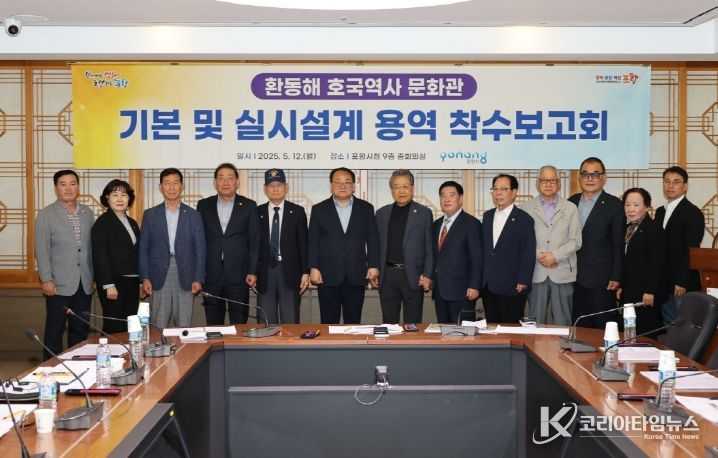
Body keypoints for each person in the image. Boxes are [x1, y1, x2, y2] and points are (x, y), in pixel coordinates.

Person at [35, 169, 95, 360]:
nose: (68, 188)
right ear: (56, 188)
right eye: (63, 184)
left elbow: (90, 247)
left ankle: (78, 366)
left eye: (72, 184)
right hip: (58, 284)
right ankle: (50, 368)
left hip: (84, 282)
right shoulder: (46, 214)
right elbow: (41, 250)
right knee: (55, 330)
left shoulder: (87, 213)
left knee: (80, 329)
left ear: (78, 187)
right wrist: (46, 279)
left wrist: (93, 276)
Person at [308, 167, 380, 324]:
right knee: (328, 322)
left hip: (356, 275)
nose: (342, 185)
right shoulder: (319, 209)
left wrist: (373, 265)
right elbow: (313, 241)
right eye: (338, 182)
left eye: (347, 182)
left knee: (353, 323)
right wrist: (313, 267)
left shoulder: (366, 208)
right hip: (327, 276)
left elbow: (373, 239)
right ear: (331, 186)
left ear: (353, 186)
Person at [139, 168, 206, 328]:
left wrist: (198, 278)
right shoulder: (150, 215)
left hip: (186, 273)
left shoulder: (193, 215)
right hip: (157, 273)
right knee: (158, 323)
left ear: (182, 186)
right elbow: (143, 249)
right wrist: (145, 277)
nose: (171, 187)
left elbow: (200, 249)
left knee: (184, 323)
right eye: (167, 183)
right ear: (161, 187)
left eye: (175, 183)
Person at [197, 163, 260, 325]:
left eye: (230, 178)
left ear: (237, 182)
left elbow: (254, 241)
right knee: (213, 324)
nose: (225, 182)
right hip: (211, 274)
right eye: (221, 178)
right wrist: (199, 273)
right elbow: (198, 241)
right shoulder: (204, 205)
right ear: (215, 183)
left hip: (239, 275)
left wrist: (252, 271)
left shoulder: (249, 205)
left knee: (239, 323)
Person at [568, 157, 624, 328]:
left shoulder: (615, 205)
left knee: (602, 326)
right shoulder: (571, 202)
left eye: (595, 174)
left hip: (602, 279)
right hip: (573, 276)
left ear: (604, 178)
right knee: (579, 325)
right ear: (580, 178)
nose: (590, 179)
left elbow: (618, 244)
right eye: (585, 174)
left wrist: (616, 275)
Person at [523, 166, 582, 325]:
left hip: (562, 271)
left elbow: (576, 240)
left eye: (552, 180)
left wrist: (555, 256)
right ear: (537, 183)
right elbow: (523, 241)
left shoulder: (570, 208)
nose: (548, 184)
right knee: (535, 322)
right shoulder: (525, 208)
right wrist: (540, 256)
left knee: (563, 322)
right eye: (544, 180)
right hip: (536, 271)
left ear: (559, 183)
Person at [375, 170, 433, 324]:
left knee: (413, 324)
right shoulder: (381, 213)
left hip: (413, 276)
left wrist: (427, 274)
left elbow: (429, 248)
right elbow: (376, 246)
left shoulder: (424, 213)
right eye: (396, 187)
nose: (401, 191)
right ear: (391, 190)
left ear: (412, 188)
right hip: (387, 276)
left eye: (405, 186)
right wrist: (375, 269)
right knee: (388, 323)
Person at [256, 169, 310, 324]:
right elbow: (252, 246)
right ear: (265, 189)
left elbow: (303, 244)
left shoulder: (297, 212)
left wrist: (305, 272)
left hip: (290, 272)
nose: (275, 189)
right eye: (271, 185)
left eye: (279, 185)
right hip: (265, 273)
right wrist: (252, 271)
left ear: (286, 187)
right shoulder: (256, 212)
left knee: (290, 319)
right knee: (266, 321)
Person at [482, 174, 536, 324]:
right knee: (491, 327)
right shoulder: (487, 216)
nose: (498, 193)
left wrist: (523, 280)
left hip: (513, 286)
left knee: (510, 328)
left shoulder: (524, 219)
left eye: (504, 189)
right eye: (495, 189)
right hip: (488, 285)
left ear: (514, 192)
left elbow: (528, 252)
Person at [654, 166, 706, 323]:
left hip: (681, 283)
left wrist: (682, 281)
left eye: (676, 182)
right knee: (666, 326)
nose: (670, 186)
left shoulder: (693, 213)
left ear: (685, 186)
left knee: (681, 326)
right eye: (667, 181)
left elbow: (691, 250)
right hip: (662, 282)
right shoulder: (660, 211)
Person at [91, 179, 141, 334]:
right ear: (107, 198)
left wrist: (140, 281)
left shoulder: (132, 222)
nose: (120, 199)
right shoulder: (102, 223)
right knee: (114, 326)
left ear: (129, 199)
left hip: (132, 281)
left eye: (124, 195)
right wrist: (108, 284)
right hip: (114, 283)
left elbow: (136, 253)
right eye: (115, 195)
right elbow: (100, 256)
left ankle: (127, 351)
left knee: (130, 326)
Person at [431, 181, 482, 323]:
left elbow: (477, 258)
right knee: (443, 331)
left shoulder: (472, 224)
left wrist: (474, 285)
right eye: (443, 196)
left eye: (452, 195)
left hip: (463, 292)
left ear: (460, 198)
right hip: (440, 291)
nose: (446, 199)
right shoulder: (436, 225)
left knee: (462, 333)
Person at [620, 188, 665, 335]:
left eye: (636, 205)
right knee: (628, 331)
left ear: (646, 207)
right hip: (630, 289)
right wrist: (621, 285)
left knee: (644, 332)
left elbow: (657, 263)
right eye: (627, 205)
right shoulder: (628, 228)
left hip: (645, 292)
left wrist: (650, 291)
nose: (631, 209)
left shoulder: (653, 229)